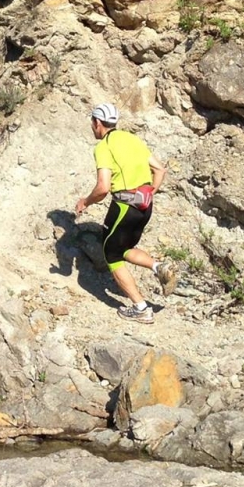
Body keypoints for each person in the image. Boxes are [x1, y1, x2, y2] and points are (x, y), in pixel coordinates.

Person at [75, 103, 178, 324]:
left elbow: (103, 187)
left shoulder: (104, 147)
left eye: (92, 123)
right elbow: (159, 169)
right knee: (124, 248)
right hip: (144, 207)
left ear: (97, 123)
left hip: (123, 207)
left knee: (111, 256)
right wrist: (148, 194)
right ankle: (158, 267)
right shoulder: (132, 139)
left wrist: (85, 201)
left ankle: (141, 308)